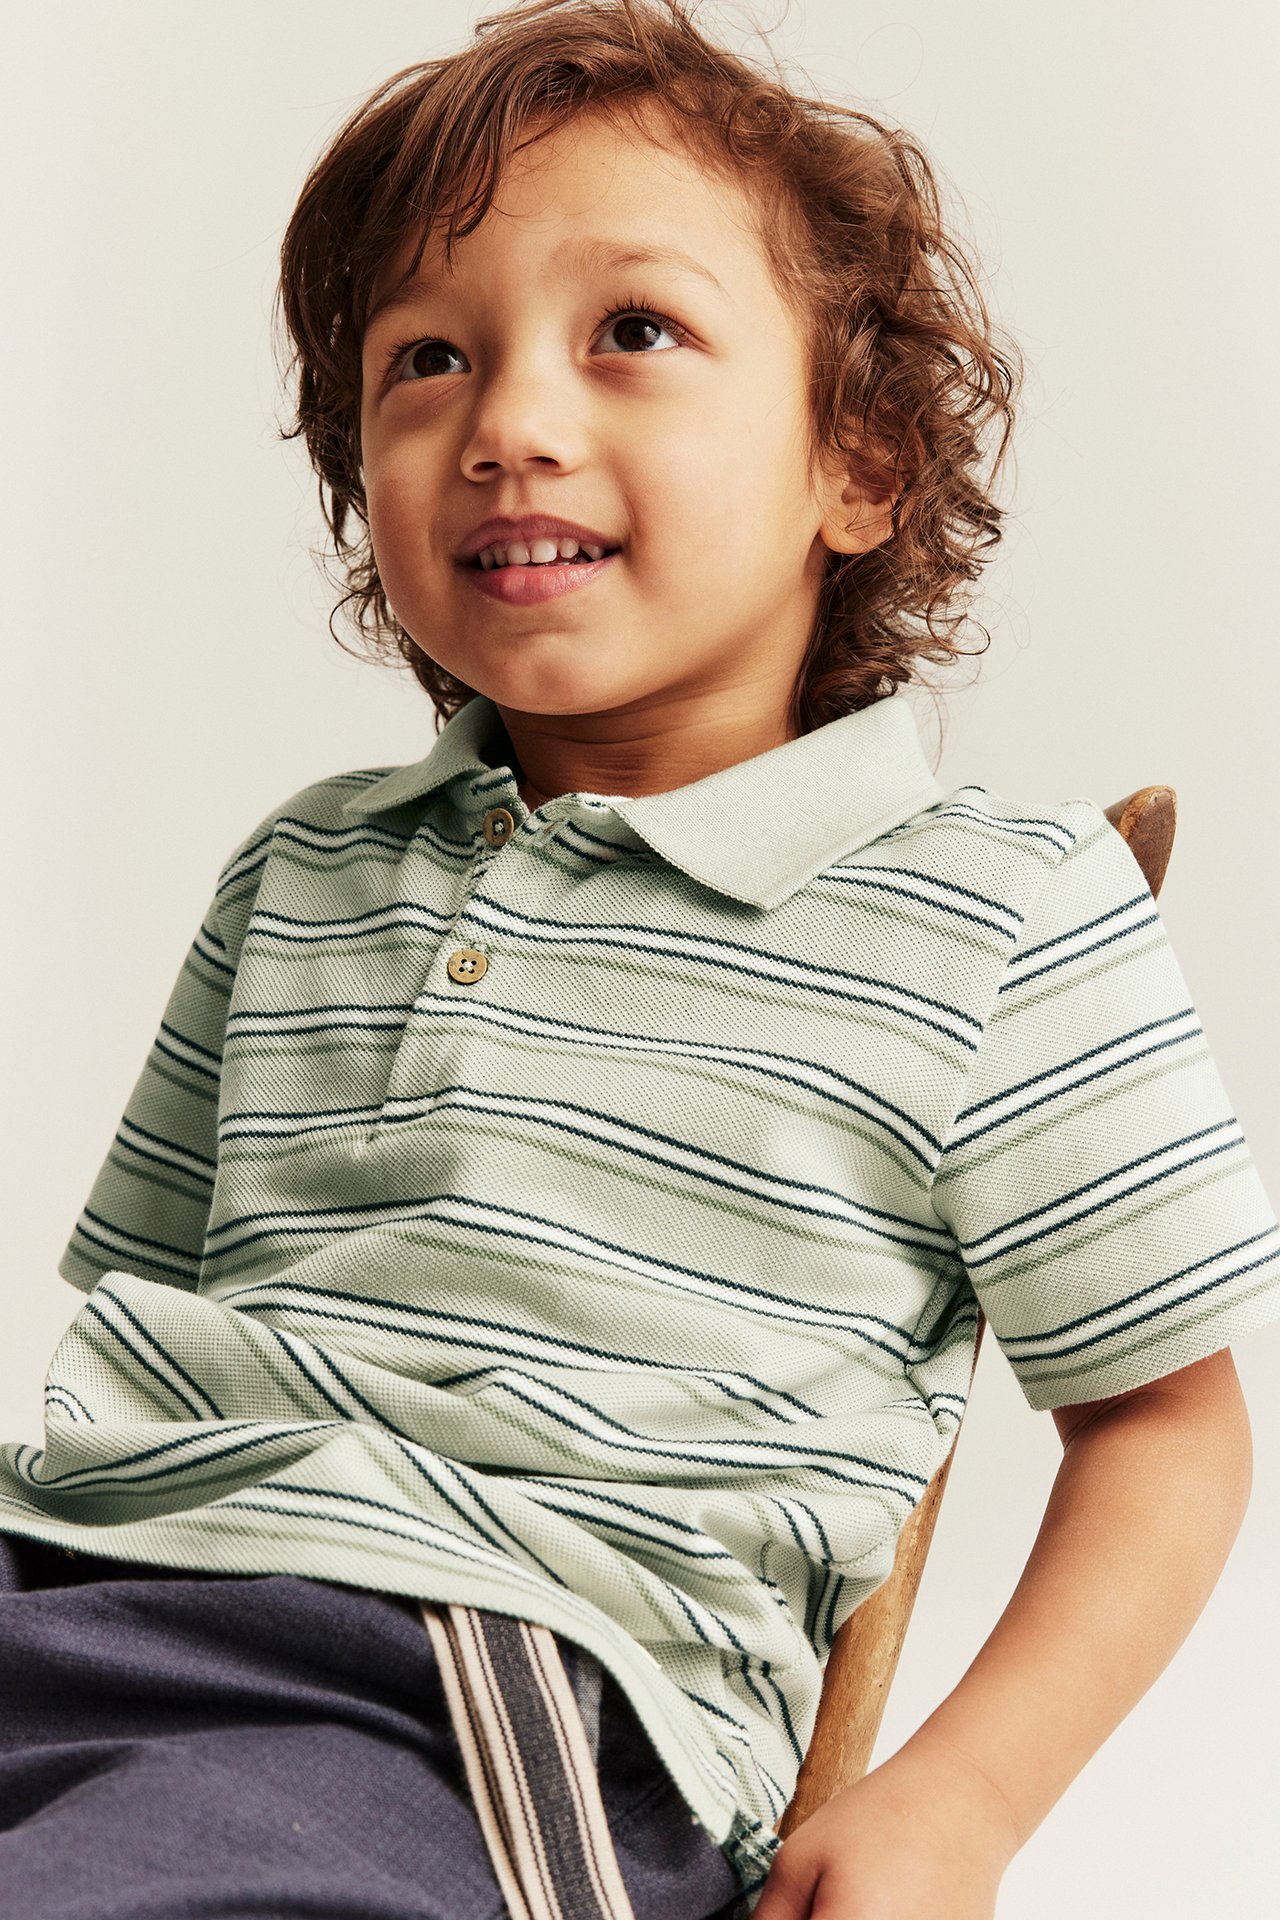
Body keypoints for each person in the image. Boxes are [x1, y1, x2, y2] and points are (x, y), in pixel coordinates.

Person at [2, 1, 1277, 1915]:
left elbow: (1165, 1428)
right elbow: (143, 1355)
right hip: (89, 1590)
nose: (511, 420)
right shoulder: (308, 871)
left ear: (858, 462)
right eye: (428, 356)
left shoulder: (989, 904)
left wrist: (962, 1802)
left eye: (634, 332)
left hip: (498, 1678)